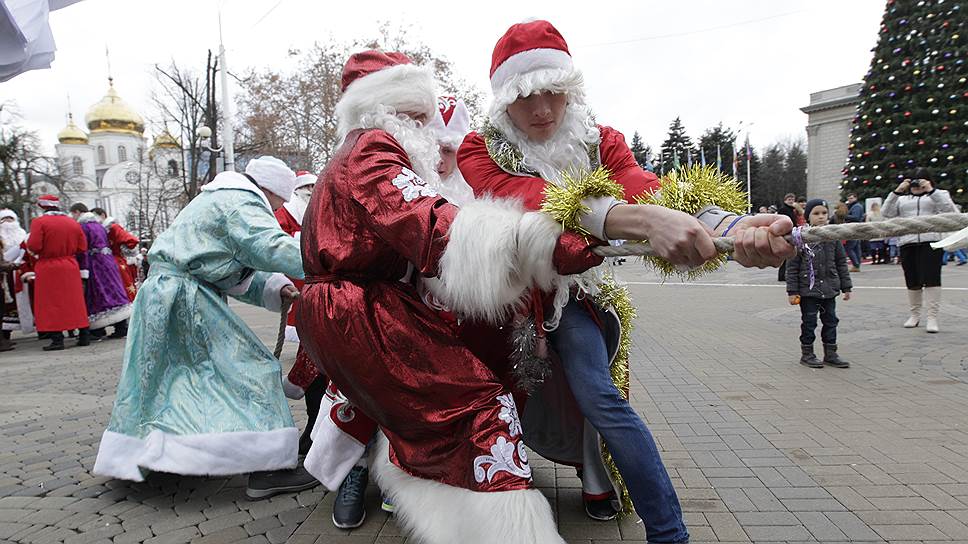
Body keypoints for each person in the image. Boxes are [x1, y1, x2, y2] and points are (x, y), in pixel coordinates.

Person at [457, 20, 795, 543]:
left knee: (600, 398)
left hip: (574, 299)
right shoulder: (479, 150)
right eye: (527, 96)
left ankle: (669, 534)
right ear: (505, 100)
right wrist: (634, 220)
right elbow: (529, 199)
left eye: (554, 92)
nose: (543, 108)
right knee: (479, 402)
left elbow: (646, 187)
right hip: (500, 303)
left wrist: (723, 224)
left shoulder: (601, 141)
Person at [298, 49, 605, 543]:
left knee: (443, 419)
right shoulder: (372, 148)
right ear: (388, 112)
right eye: (418, 117)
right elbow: (433, 226)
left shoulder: (359, 149)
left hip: (359, 311)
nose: (430, 131)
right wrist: (550, 242)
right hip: (362, 314)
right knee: (482, 412)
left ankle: (456, 522)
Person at [93, 157, 318, 497]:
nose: (278, 208)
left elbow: (221, 265)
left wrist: (275, 287)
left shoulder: (214, 198)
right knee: (251, 370)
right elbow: (265, 245)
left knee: (170, 382)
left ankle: (156, 456)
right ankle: (267, 470)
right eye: (280, 200)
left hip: (165, 295)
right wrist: (333, 256)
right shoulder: (239, 200)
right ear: (269, 190)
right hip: (186, 301)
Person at [245, 169, 325, 502]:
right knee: (311, 366)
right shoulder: (270, 214)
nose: (308, 191)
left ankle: (320, 435)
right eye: (302, 188)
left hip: (324, 295)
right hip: (308, 294)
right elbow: (270, 251)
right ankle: (290, 445)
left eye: (311, 187)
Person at [881, 168, 958, 333]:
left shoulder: (939, 194)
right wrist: (896, 192)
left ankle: (932, 317)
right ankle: (914, 315)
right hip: (907, 242)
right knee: (912, 281)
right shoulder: (902, 199)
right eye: (914, 181)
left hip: (931, 242)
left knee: (932, 279)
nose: (917, 184)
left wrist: (931, 191)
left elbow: (951, 212)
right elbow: (886, 213)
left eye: (920, 180)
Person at [786, 199, 852, 368]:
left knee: (831, 321)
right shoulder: (801, 238)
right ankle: (807, 353)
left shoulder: (833, 237)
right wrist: (792, 291)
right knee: (809, 322)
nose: (821, 217)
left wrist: (846, 286)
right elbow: (792, 266)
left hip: (829, 289)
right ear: (808, 216)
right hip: (809, 291)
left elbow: (841, 262)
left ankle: (831, 353)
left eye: (824, 213)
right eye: (816, 213)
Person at [26, 195, 91, 350]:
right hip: (70, 265)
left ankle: (57, 339)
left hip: (48, 266)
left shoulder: (39, 222)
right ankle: (84, 335)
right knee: (75, 301)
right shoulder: (72, 222)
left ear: (43, 207)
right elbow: (82, 247)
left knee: (52, 303)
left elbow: (34, 245)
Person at [69, 203, 132, 337]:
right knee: (114, 291)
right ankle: (121, 327)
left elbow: (82, 249)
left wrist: (83, 268)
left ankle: (97, 329)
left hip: (95, 264)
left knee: (97, 293)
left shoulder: (83, 227)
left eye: (73, 214)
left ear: (77, 212)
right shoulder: (100, 226)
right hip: (108, 262)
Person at [91, 208, 139, 337]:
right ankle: (120, 326)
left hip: (116, 264)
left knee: (120, 294)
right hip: (109, 263)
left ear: (102, 215)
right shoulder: (102, 229)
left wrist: (124, 252)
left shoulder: (112, 227)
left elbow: (131, 241)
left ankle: (123, 326)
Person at [0, 209, 34, 344]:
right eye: (4, 219)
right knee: (6, 306)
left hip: (20, 272)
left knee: (25, 301)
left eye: (11, 219)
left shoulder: (22, 234)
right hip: (5, 274)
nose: (8, 222)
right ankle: (5, 334)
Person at [776, 193, 798, 281]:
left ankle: (784, 275)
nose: (791, 201)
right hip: (786, 233)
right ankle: (782, 275)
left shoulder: (793, 210)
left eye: (792, 199)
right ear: (785, 200)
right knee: (786, 255)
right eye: (789, 199)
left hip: (791, 232)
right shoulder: (783, 209)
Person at [844, 193, 866, 271]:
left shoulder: (856, 207)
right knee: (856, 248)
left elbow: (856, 217)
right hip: (856, 229)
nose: (849, 200)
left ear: (855, 198)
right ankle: (856, 265)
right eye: (849, 198)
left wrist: (844, 216)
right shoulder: (856, 206)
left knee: (849, 248)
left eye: (851, 198)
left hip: (854, 229)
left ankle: (856, 264)